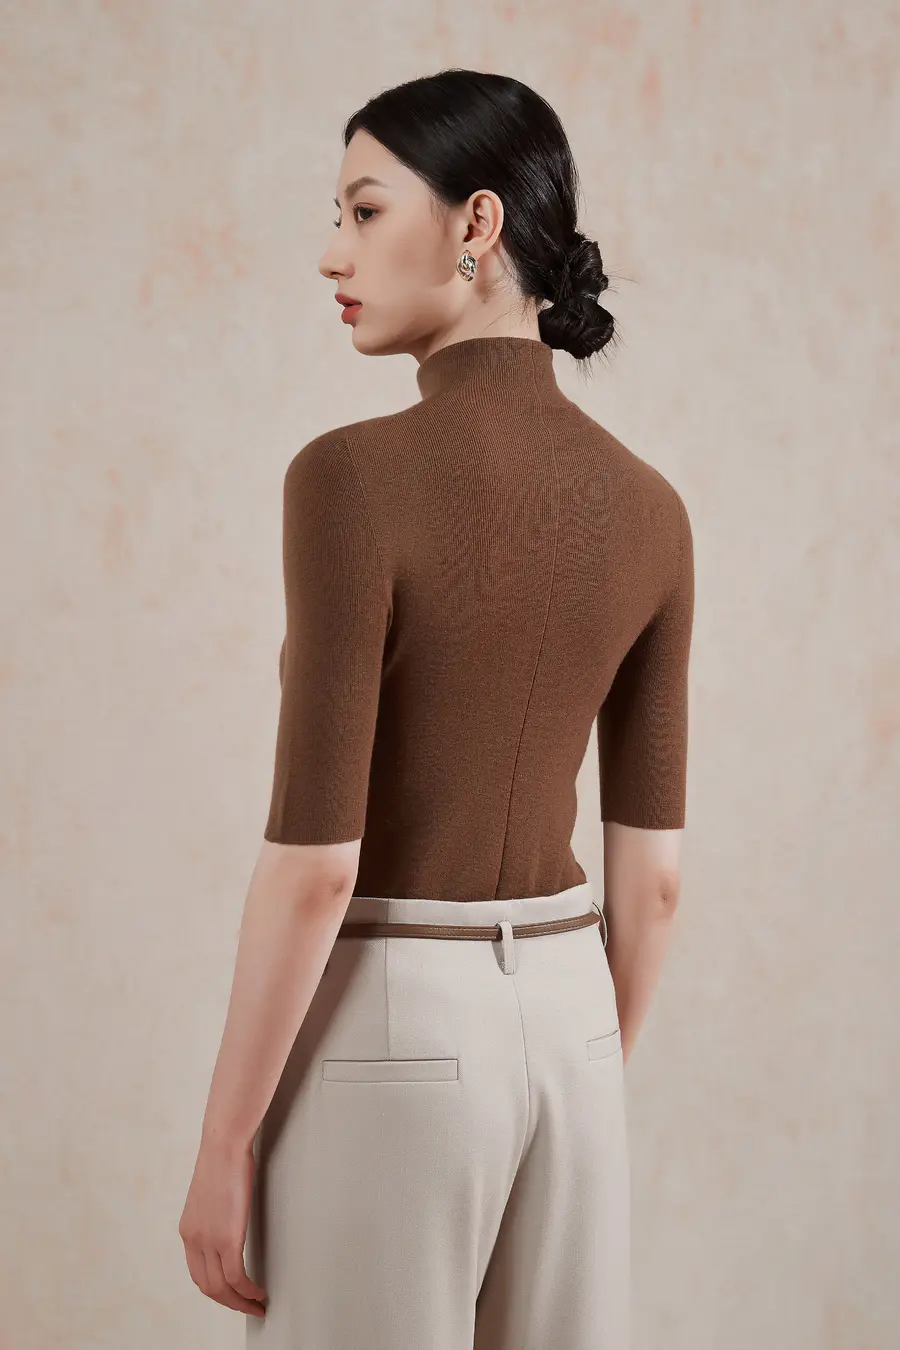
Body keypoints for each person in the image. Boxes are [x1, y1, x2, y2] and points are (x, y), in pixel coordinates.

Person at [178, 68, 694, 1350]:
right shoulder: (653, 510)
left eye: (363, 211)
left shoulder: (349, 479)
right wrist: (577, 1056)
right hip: (576, 1023)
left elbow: (316, 866)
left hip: (393, 1020)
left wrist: (225, 1142)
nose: (331, 253)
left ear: (476, 223)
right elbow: (656, 883)